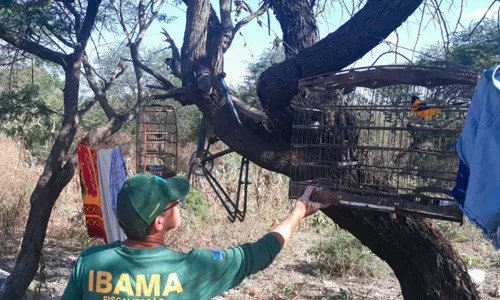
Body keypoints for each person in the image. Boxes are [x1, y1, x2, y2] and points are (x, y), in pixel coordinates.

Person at [62, 172, 329, 300]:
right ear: (158, 222)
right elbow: (259, 253)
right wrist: (298, 213)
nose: (179, 203)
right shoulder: (192, 268)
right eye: (173, 203)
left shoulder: (90, 262)